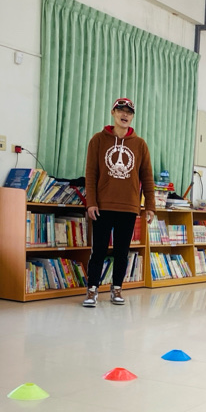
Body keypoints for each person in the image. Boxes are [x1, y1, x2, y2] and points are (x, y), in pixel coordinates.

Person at [82, 97, 156, 306]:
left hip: (129, 207)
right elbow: (91, 173)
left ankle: (117, 289)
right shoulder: (98, 140)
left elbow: (147, 177)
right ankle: (92, 290)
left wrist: (150, 206)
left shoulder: (140, 144)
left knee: (122, 252)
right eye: (121, 110)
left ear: (132, 117)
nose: (125, 114)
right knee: (98, 251)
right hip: (103, 206)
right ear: (113, 113)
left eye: (129, 112)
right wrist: (91, 202)